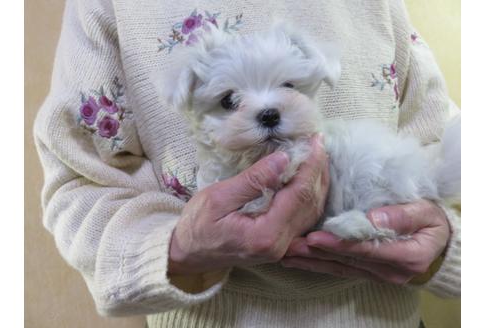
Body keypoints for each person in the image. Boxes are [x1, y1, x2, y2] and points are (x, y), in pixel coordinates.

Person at [34, 0, 460, 327]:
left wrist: (447, 246)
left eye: (289, 85)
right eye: (230, 100)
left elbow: (445, 146)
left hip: (383, 316)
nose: (267, 110)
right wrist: (181, 248)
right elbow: (79, 179)